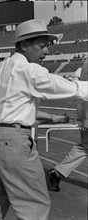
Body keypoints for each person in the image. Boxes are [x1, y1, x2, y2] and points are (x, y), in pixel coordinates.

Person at [0, 19, 88, 220]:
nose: (46, 51)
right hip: (13, 141)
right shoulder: (29, 69)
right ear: (24, 45)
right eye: (42, 46)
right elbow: (67, 88)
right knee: (35, 206)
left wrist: (3, 112)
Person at [47, 57, 88, 192]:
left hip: (84, 110)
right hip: (86, 110)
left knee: (84, 147)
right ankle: (56, 173)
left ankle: (57, 173)